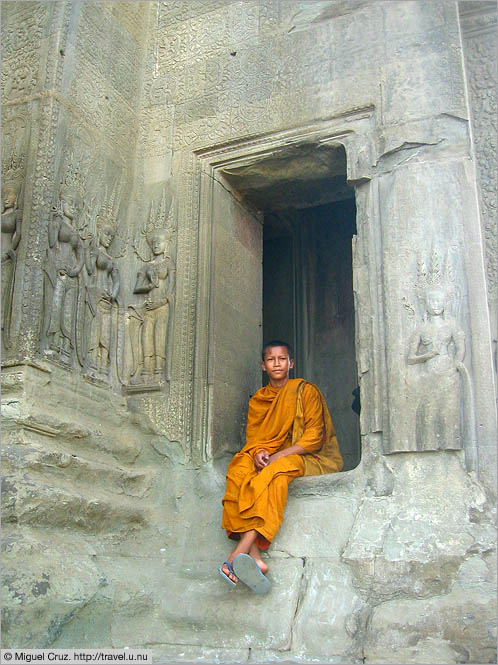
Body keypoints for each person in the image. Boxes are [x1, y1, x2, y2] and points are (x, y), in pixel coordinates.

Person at [219, 340, 343, 593]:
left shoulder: (304, 391)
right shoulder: (259, 400)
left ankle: (236, 555)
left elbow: (314, 437)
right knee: (239, 468)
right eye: (272, 360)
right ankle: (255, 559)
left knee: (275, 472)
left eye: (282, 359)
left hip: (308, 457)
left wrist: (278, 456)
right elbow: (255, 440)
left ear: (291, 364)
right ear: (263, 366)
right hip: (273, 456)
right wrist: (258, 453)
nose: (277, 363)